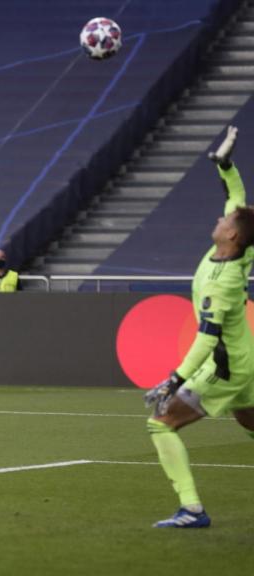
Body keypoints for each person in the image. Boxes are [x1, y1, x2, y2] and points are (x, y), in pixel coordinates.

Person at [144, 125, 254, 528]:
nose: (219, 217)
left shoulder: (221, 284)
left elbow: (207, 341)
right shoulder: (237, 250)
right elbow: (236, 195)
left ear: (232, 234)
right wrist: (225, 165)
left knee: (160, 424)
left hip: (225, 368)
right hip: (246, 361)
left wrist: (174, 379)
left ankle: (191, 509)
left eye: (225, 219)